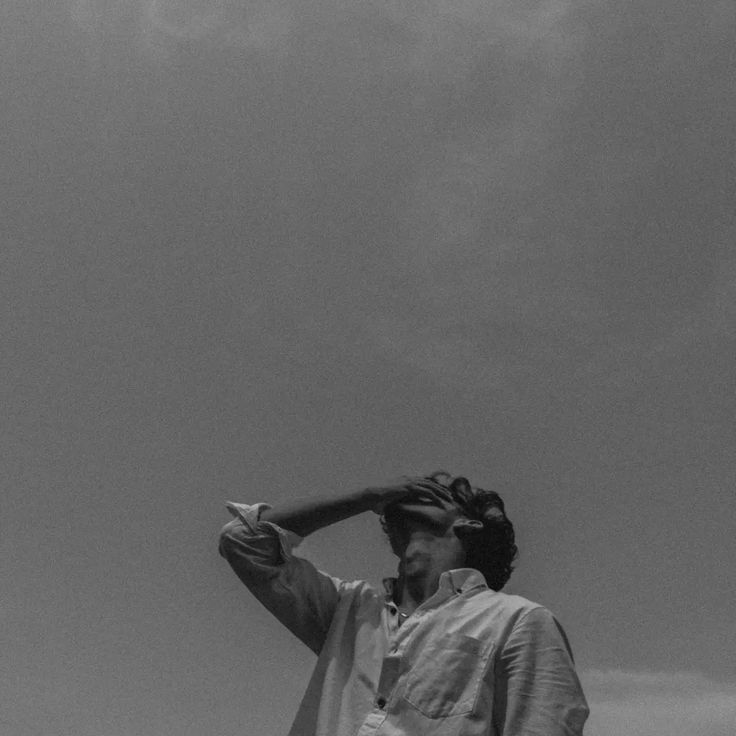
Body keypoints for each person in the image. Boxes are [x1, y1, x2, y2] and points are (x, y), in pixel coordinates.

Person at [218, 471, 589, 735]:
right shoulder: (350, 610)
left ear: (471, 525)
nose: (415, 490)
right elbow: (243, 541)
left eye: (434, 492)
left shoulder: (517, 621)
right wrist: (365, 496)